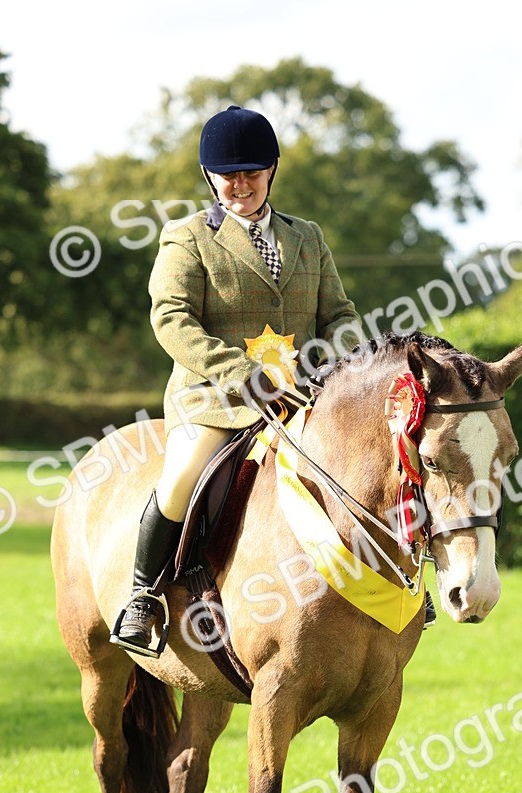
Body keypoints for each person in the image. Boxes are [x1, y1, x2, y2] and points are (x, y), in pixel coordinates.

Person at [110, 104, 363, 655]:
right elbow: (171, 318)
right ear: (210, 177)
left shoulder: (308, 238)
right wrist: (243, 377)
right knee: (184, 473)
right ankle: (143, 596)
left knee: (366, 463)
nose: (240, 184)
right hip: (216, 400)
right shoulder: (188, 237)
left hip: (303, 397)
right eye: (228, 174)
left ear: (271, 170)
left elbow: (339, 315)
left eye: (251, 172)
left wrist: (336, 362)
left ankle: (393, 574)